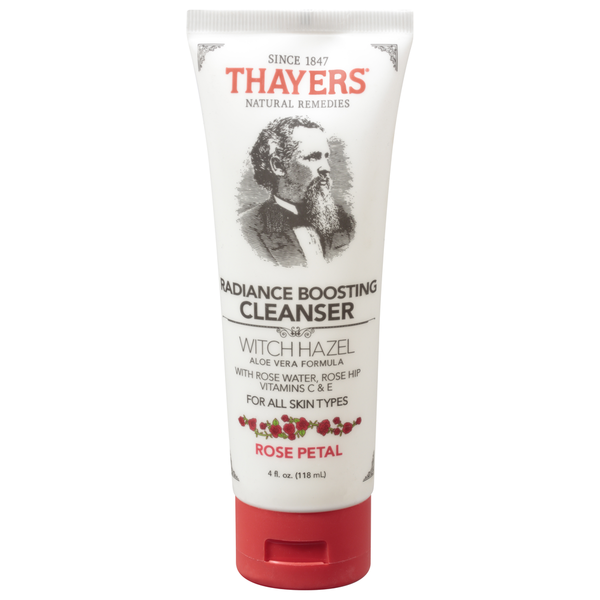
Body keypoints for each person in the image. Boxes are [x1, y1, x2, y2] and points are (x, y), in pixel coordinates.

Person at [239, 116, 355, 268]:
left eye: (326, 156)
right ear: (278, 166)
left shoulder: (345, 221)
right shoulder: (247, 228)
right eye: (313, 157)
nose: (326, 168)